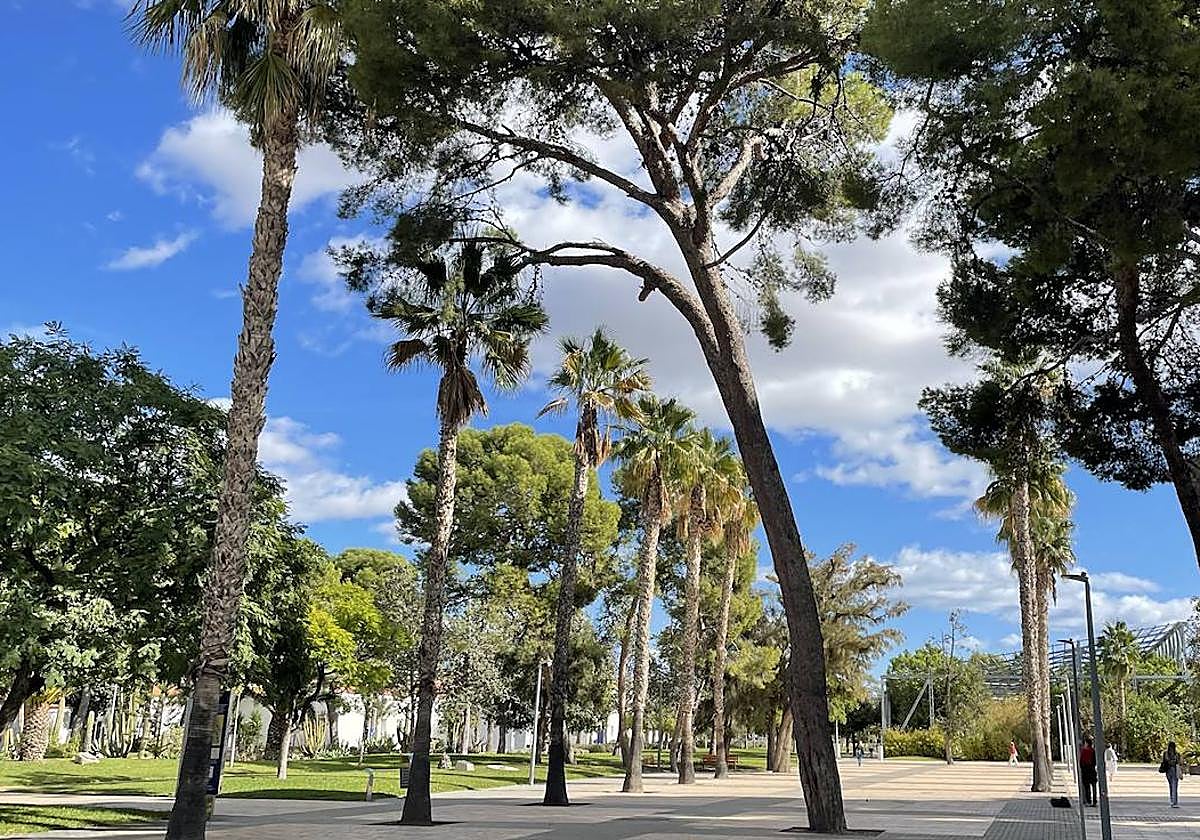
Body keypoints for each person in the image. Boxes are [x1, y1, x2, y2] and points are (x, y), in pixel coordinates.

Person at [1162, 741, 1183, 808]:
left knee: (1172, 786)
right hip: (1173, 770)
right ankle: (1174, 802)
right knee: (1174, 786)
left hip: (1169, 771)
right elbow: (1179, 762)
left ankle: (1173, 801)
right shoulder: (1176, 754)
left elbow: (1165, 761)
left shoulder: (1166, 754)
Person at [1080, 736, 1098, 807]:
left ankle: (1088, 801)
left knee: (1087, 787)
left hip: (1085, 770)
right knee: (1094, 786)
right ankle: (1094, 801)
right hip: (1092, 770)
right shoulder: (1093, 750)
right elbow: (1095, 761)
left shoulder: (1084, 751)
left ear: (1086, 743)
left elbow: (1081, 761)